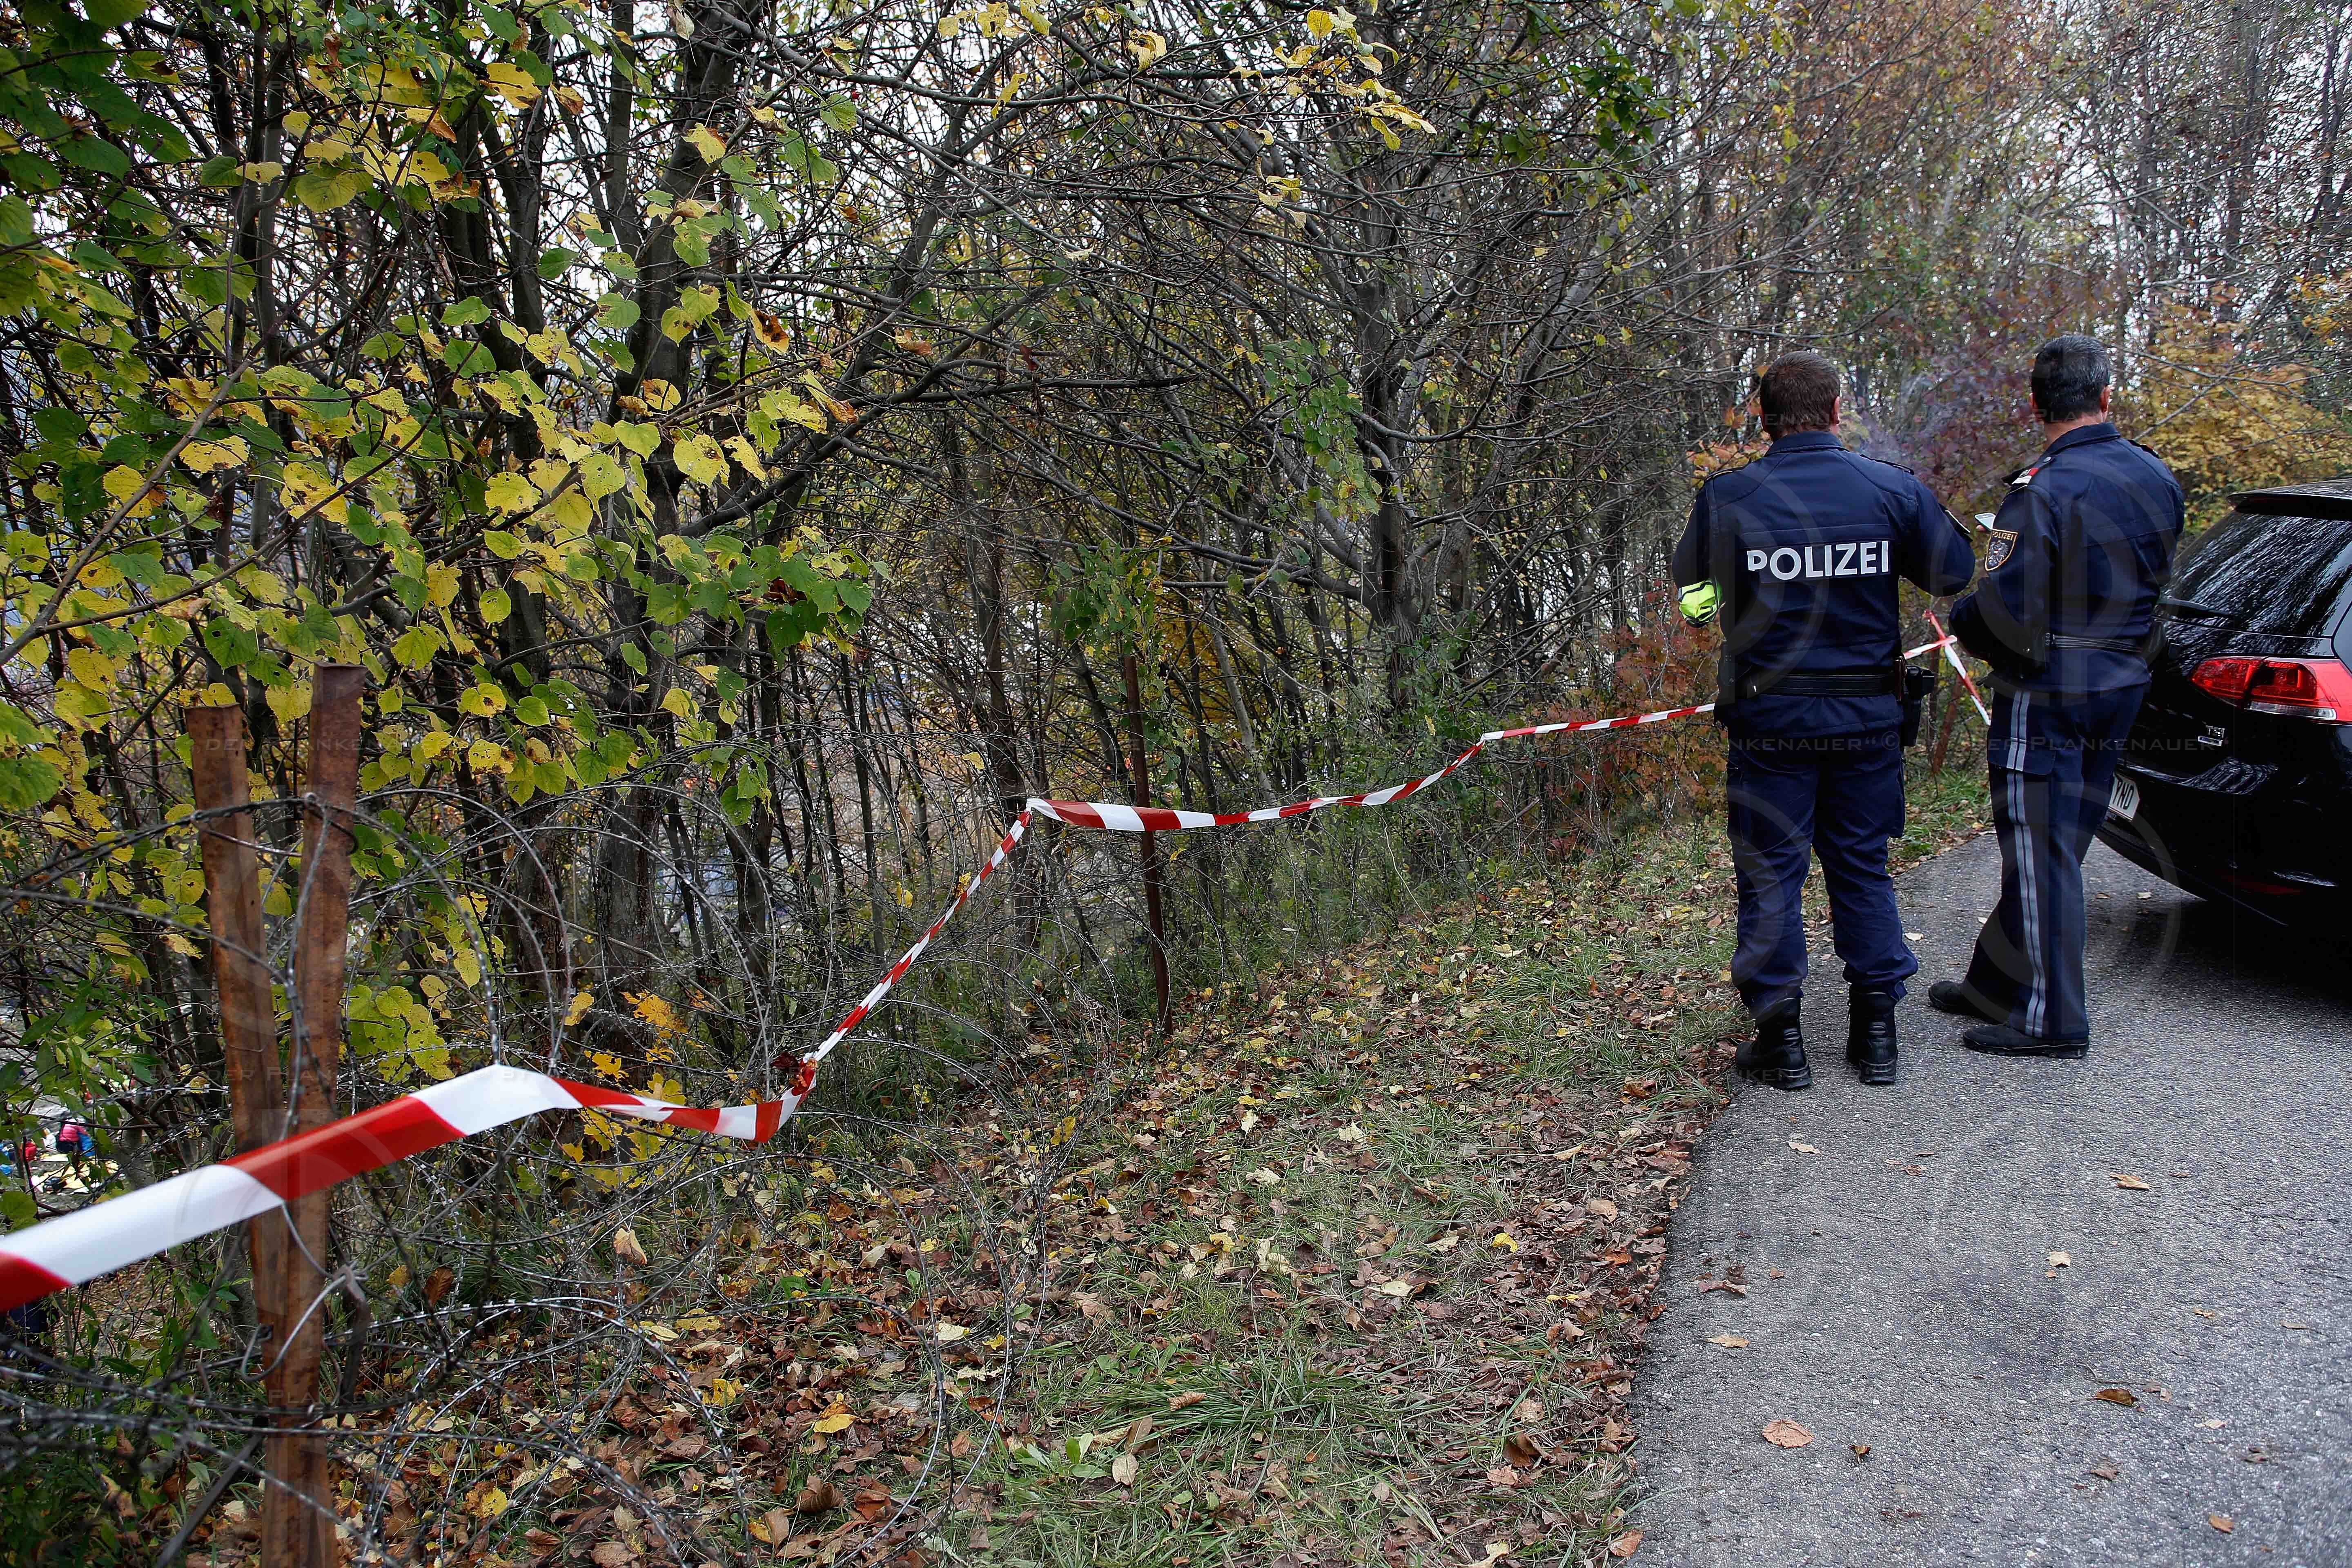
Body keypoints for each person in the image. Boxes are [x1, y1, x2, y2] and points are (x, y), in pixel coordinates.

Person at [1675, 351, 1976, 1089]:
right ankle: (1876, 1035)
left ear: (1763, 416)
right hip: (1865, 722)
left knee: (1771, 874)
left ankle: (1781, 1042)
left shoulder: (1730, 496)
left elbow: (1692, 589)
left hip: (1770, 721)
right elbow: (1955, 573)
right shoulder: (1890, 490)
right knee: (1861, 865)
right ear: (1838, 411)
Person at [1936, 336, 2183, 1056]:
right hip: (2122, 682)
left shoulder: (2039, 489)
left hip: (2050, 689)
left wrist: (1962, 619)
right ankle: (1994, 982)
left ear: (2036, 405)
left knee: (2041, 850)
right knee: (2057, 843)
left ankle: (2053, 1020)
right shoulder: (2156, 475)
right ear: (2105, 397)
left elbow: (2006, 610)